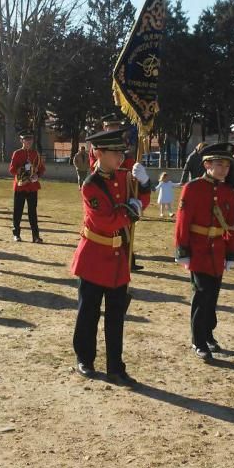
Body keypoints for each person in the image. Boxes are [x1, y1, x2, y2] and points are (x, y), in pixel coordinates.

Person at [71, 128, 152, 386]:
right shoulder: (91, 185)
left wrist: (146, 186)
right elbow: (105, 221)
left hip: (118, 259)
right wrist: (132, 211)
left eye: (121, 152)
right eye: (115, 152)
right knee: (88, 314)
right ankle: (85, 358)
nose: (120, 157)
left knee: (116, 317)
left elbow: (140, 199)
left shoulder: (124, 177)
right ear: (99, 153)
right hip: (94, 257)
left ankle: (116, 367)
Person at [175, 143, 234, 362]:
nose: (224, 169)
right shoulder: (192, 188)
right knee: (202, 296)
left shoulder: (228, 191)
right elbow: (183, 222)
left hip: (218, 251)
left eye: (226, 165)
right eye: (219, 164)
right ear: (206, 164)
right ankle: (198, 339)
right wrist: (182, 250)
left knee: (213, 296)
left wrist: (232, 253)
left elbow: (231, 225)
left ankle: (209, 333)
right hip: (198, 251)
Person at [9, 130, 46, 243]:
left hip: (32, 187)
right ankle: (16, 234)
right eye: (26, 140)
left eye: (30, 140)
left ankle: (35, 236)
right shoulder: (17, 153)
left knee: (32, 212)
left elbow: (41, 168)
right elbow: (12, 169)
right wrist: (21, 170)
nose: (28, 142)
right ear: (22, 141)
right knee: (18, 211)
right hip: (20, 186)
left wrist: (37, 175)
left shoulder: (36, 154)